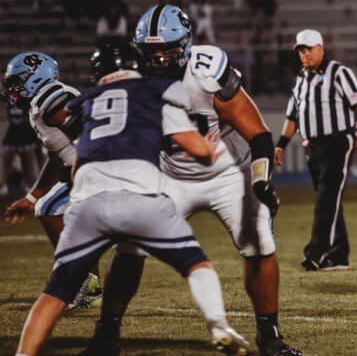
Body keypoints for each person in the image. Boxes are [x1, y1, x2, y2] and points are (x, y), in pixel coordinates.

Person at [82, 5, 301, 356]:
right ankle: (106, 333)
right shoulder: (134, 80)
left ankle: (270, 335)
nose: (157, 59)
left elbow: (259, 134)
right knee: (129, 246)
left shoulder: (206, 72)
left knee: (258, 243)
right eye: (150, 51)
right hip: (170, 174)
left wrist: (260, 182)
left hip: (229, 173)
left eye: (166, 49)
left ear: (184, 46)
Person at [13, 43, 251, 356]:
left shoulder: (87, 100)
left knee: (55, 294)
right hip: (141, 198)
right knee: (197, 265)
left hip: (89, 203)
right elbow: (194, 147)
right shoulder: (155, 91)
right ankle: (219, 327)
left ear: (99, 73)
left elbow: (76, 162)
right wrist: (207, 147)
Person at [3, 51, 103, 309]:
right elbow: (56, 157)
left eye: (17, 81)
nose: (12, 88)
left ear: (35, 78)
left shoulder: (53, 99)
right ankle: (87, 286)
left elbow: (90, 133)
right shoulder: (40, 103)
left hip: (96, 168)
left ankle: (78, 280)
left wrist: (85, 171)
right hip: (85, 169)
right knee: (51, 209)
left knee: (49, 209)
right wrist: (30, 196)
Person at [274, 29, 357, 271]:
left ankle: (316, 252)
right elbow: (292, 115)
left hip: (337, 142)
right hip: (312, 147)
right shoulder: (301, 79)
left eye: (308, 49)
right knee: (330, 200)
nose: (304, 55)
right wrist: (281, 145)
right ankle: (339, 255)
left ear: (321, 49)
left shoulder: (339, 73)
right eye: (301, 51)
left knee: (326, 199)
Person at [2, 101, 41, 194]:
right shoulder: (10, 102)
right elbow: (10, 117)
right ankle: (4, 185)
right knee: (7, 158)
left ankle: (27, 184)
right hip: (13, 132)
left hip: (25, 133)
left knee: (25, 160)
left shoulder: (26, 102)